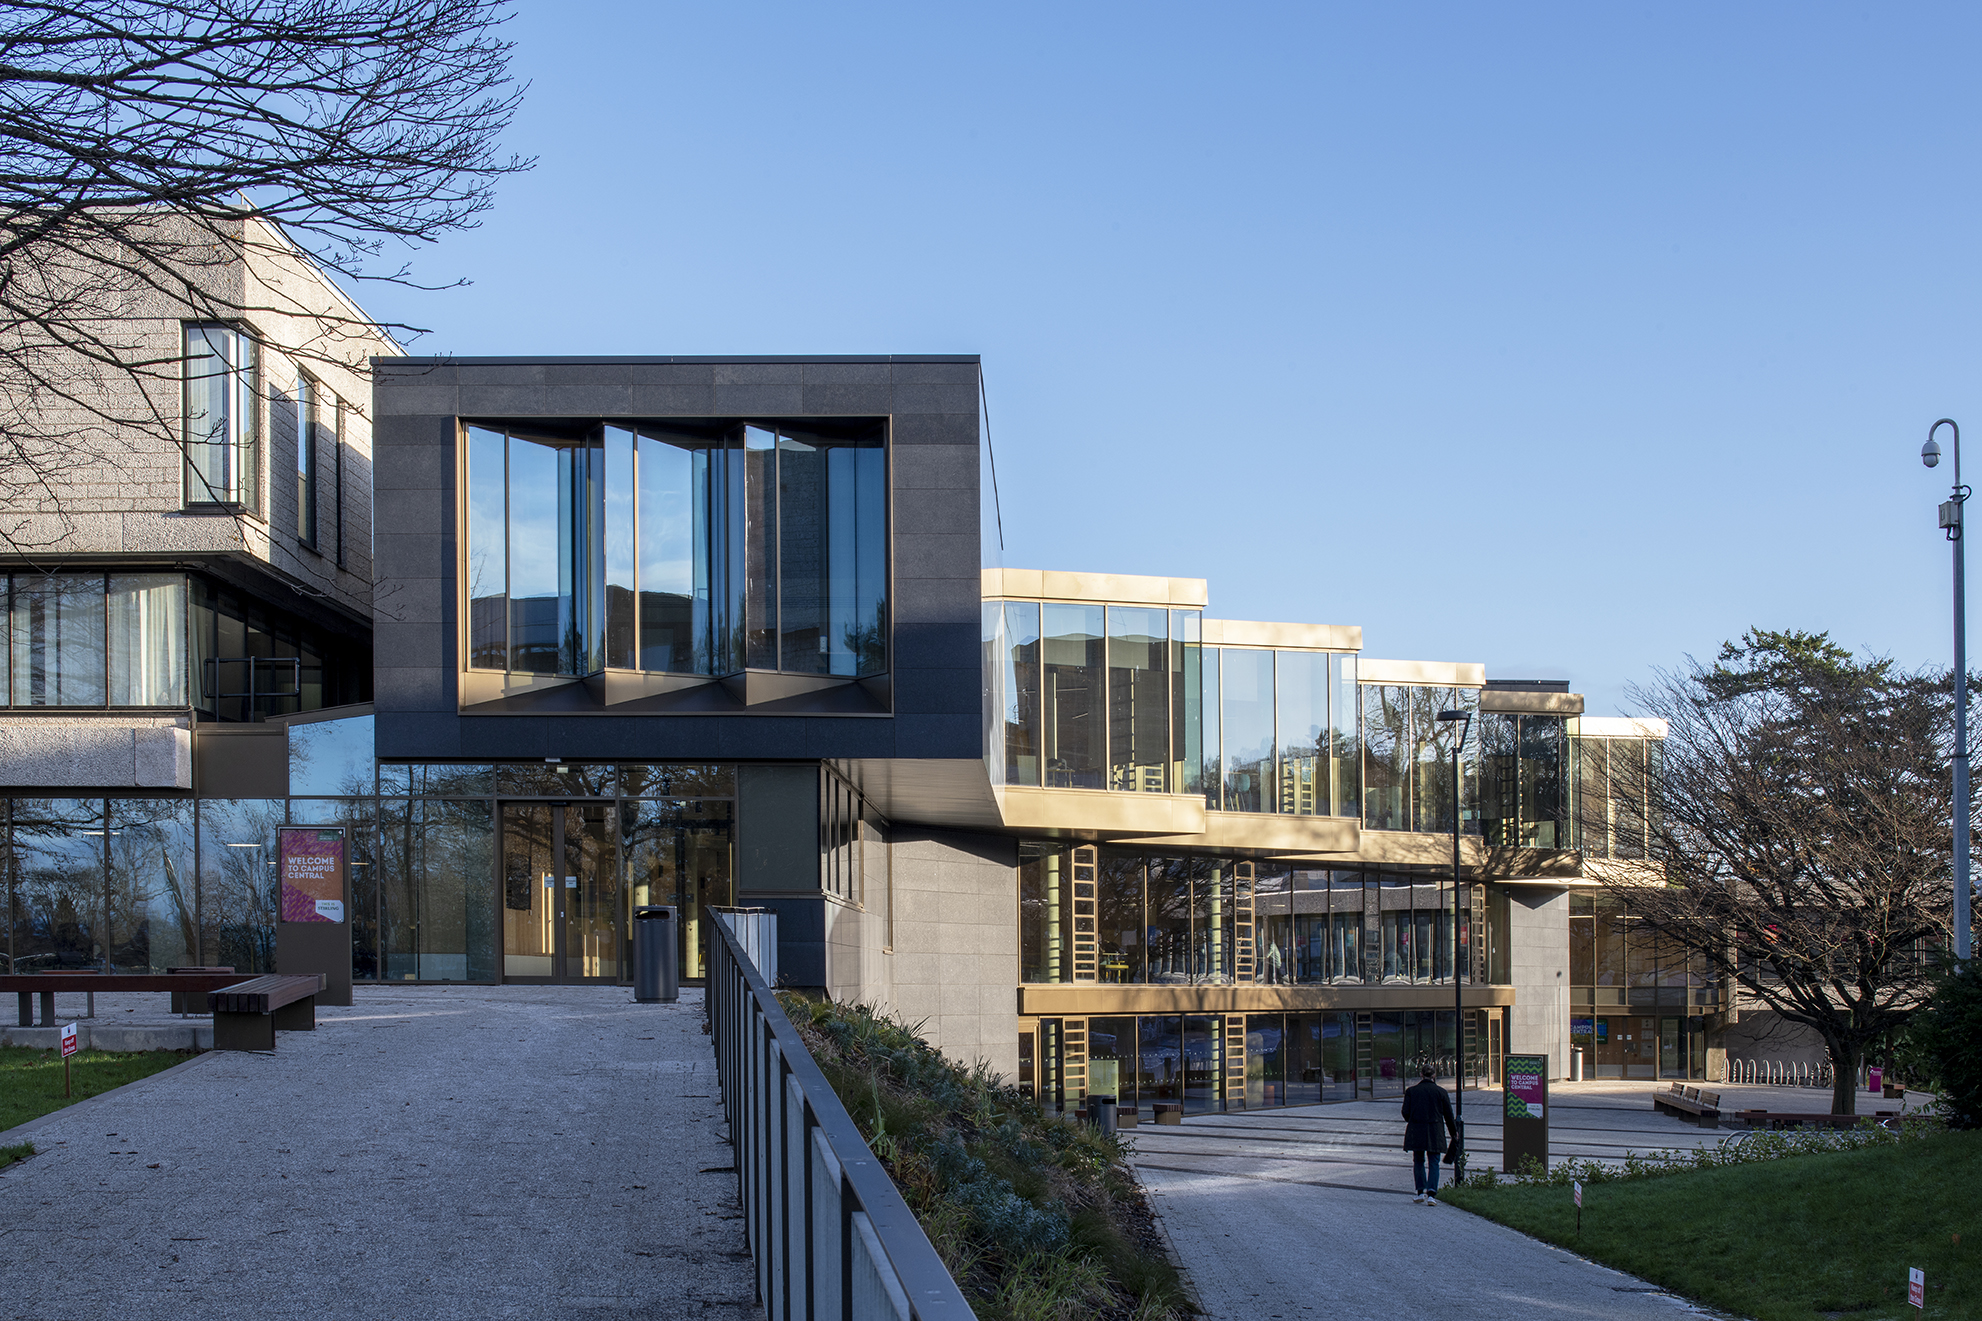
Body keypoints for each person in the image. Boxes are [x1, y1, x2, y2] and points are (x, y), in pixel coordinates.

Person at [1401, 1061, 1457, 1205]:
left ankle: (1420, 1191)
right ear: (1434, 1075)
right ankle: (1431, 1193)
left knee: (1418, 1160)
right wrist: (1453, 1133)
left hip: (1417, 1129)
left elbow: (1405, 1112)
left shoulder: (1411, 1091)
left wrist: (1413, 1119)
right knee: (1434, 1162)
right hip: (1435, 1129)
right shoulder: (1441, 1092)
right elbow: (1449, 1115)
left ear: (1421, 1074)